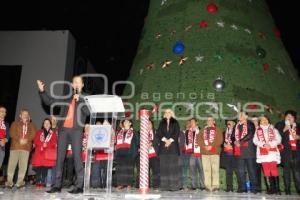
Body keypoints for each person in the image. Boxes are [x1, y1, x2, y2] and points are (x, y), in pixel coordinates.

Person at [37, 76, 90, 194]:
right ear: (72, 85)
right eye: (74, 82)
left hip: (76, 130)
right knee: (59, 158)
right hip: (63, 130)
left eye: (78, 82)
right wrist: (42, 91)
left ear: (82, 85)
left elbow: (87, 112)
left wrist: (79, 99)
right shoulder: (66, 97)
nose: (76, 84)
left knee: (77, 157)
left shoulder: (86, 97)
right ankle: (57, 185)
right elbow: (49, 101)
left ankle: (79, 186)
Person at [5, 109, 37, 189]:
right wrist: (20, 139)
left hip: (26, 148)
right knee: (12, 165)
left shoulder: (31, 125)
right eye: (24, 114)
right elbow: (12, 133)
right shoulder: (15, 123)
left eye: (27, 114)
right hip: (15, 147)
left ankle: (19, 183)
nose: (25, 115)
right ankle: (9, 182)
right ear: (20, 115)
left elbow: (34, 134)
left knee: (23, 167)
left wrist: (26, 140)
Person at [253, 115, 281, 195]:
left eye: (265, 119)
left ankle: (277, 189)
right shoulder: (257, 130)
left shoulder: (274, 129)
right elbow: (255, 140)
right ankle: (270, 189)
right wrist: (263, 145)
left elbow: (278, 139)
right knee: (266, 170)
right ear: (260, 122)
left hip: (272, 152)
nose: (264, 121)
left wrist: (270, 145)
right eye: (262, 120)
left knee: (273, 169)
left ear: (268, 121)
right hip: (263, 152)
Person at [275, 110, 300, 195]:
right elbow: (276, 138)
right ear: (285, 118)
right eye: (287, 116)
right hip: (285, 152)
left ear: (294, 118)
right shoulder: (280, 125)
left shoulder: (298, 126)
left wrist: (298, 137)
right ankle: (287, 190)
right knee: (286, 172)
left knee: (297, 172)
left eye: (291, 117)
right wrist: (284, 129)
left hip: (297, 152)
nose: (289, 118)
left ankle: (299, 189)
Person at [234, 111, 258, 193]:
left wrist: (240, 141)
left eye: (242, 114)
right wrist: (235, 141)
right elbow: (233, 136)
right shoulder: (236, 125)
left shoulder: (250, 124)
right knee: (240, 170)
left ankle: (254, 188)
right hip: (239, 151)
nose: (240, 115)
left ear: (246, 116)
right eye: (239, 114)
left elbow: (250, 134)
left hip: (249, 151)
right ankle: (242, 188)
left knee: (251, 170)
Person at [197, 116, 223, 192]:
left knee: (215, 170)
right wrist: (204, 146)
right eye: (208, 120)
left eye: (211, 120)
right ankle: (207, 186)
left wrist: (211, 146)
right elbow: (198, 140)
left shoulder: (218, 130)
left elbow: (220, 140)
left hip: (215, 152)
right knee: (206, 170)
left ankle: (215, 186)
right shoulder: (202, 130)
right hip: (205, 153)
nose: (209, 121)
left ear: (214, 121)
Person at [157, 109, 181, 191]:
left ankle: (174, 186)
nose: (167, 113)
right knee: (164, 167)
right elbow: (159, 133)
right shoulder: (161, 123)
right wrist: (165, 140)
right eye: (166, 112)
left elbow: (177, 133)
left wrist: (170, 140)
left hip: (173, 147)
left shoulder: (175, 122)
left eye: (169, 112)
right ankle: (165, 186)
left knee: (173, 167)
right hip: (163, 148)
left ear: (171, 114)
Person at [32, 118, 58, 188]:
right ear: (43, 125)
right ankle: (38, 181)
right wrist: (42, 144)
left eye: (48, 123)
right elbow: (35, 141)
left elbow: (54, 143)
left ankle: (43, 182)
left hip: (47, 153)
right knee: (38, 168)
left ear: (50, 125)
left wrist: (47, 144)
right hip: (39, 152)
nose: (46, 124)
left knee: (45, 168)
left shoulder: (53, 133)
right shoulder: (39, 132)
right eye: (45, 123)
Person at [115, 119, 139, 191]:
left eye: (127, 121)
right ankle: (121, 184)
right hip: (120, 152)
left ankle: (129, 184)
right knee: (120, 169)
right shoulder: (119, 132)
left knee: (129, 168)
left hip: (130, 152)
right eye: (124, 122)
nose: (125, 123)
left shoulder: (134, 132)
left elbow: (138, 142)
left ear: (130, 123)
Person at [220, 119, 240, 192]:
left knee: (237, 171)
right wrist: (224, 145)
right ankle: (229, 188)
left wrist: (231, 146)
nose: (229, 124)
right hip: (226, 155)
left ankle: (240, 188)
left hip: (235, 154)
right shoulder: (224, 132)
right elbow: (221, 142)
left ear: (234, 124)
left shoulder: (237, 132)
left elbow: (238, 141)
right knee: (228, 172)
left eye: (231, 122)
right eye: (228, 123)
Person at [92, 120, 111, 188]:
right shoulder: (94, 134)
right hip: (97, 155)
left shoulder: (107, 133)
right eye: (97, 125)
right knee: (96, 170)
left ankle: (106, 185)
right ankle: (96, 185)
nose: (98, 127)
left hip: (106, 155)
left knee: (106, 171)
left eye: (100, 125)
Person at [188, 118, 205, 190]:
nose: (191, 123)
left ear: (196, 123)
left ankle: (202, 185)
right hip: (192, 153)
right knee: (192, 169)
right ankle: (193, 185)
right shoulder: (189, 132)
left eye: (192, 122)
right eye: (190, 122)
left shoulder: (201, 131)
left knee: (201, 169)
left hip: (199, 152)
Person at [179, 120, 191, 190]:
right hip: (181, 152)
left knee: (187, 169)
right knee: (181, 169)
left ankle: (185, 185)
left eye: (190, 124)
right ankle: (181, 185)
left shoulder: (193, 132)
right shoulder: (181, 132)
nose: (188, 125)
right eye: (187, 123)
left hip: (189, 153)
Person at [148, 119, 160, 189]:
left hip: (154, 154)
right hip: (145, 155)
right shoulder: (142, 132)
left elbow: (158, 139)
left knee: (156, 171)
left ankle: (156, 185)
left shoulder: (156, 132)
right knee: (146, 172)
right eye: (147, 124)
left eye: (149, 123)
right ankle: (146, 185)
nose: (148, 125)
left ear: (152, 125)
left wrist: (151, 142)